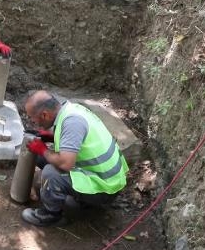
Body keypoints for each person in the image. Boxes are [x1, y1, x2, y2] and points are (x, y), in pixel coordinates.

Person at [21, 90, 129, 226]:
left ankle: (50, 215)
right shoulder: (71, 110)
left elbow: (65, 163)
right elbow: (76, 140)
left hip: (104, 188)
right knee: (42, 154)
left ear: (44, 114)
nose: (33, 122)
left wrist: (42, 149)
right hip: (105, 176)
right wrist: (50, 137)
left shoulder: (72, 123)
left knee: (51, 172)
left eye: (33, 118)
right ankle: (72, 197)